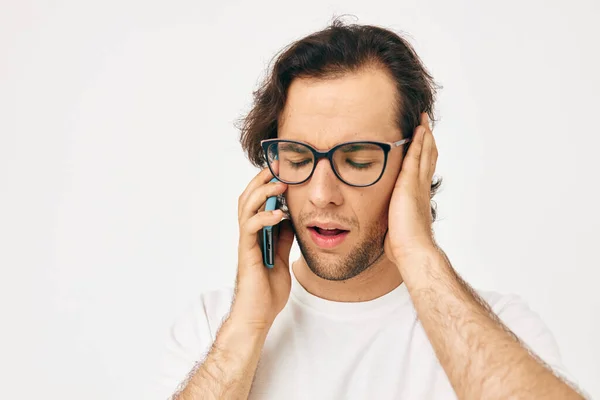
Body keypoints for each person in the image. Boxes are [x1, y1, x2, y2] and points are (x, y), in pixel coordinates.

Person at [160, 19, 587, 399]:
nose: (321, 194)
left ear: (415, 162)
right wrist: (249, 327)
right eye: (298, 158)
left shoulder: (499, 330)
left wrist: (419, 255)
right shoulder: (213, 328)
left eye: (357, 161)